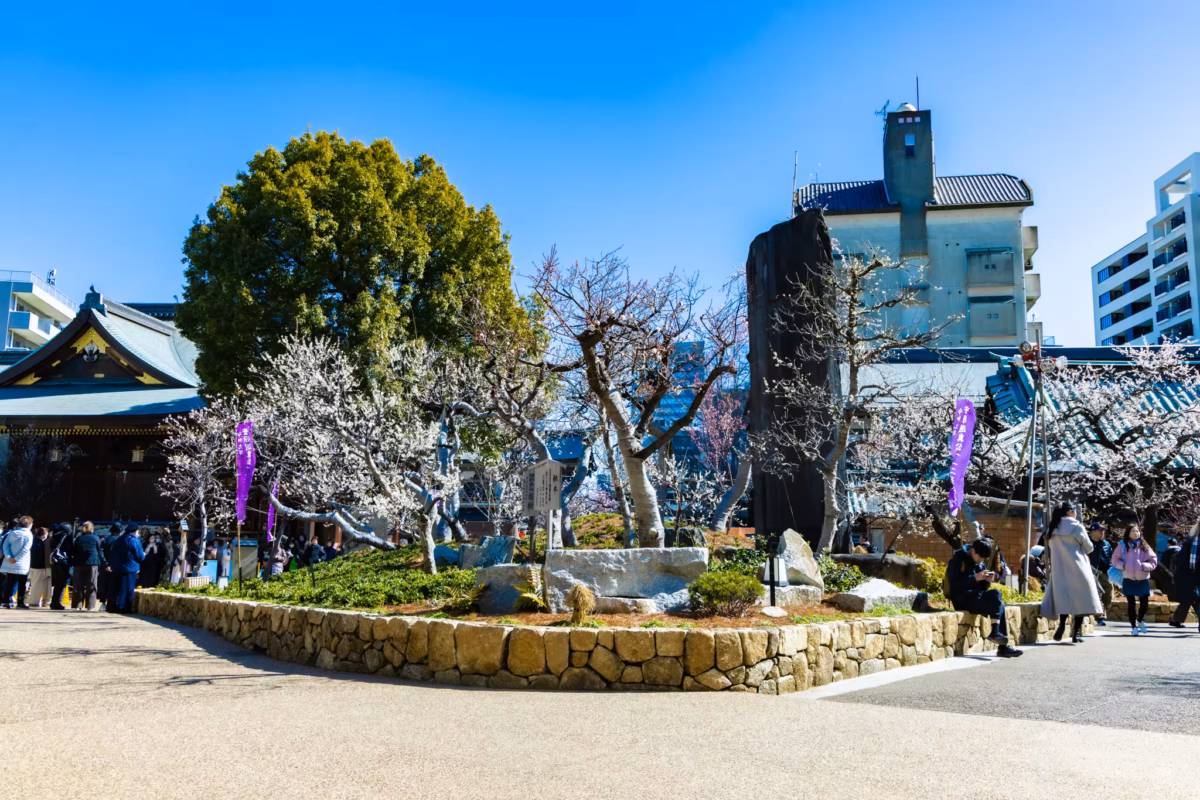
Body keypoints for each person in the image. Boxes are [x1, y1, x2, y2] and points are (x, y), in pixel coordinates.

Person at [946, 538, 1024, 658]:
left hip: (976, 597)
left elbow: (983, 588)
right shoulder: (957, 560)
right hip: (962, 599)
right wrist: (975, 578)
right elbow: (955, 585)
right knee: (999, 605)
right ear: (973, 551)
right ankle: (1001, 645)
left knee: (997, 595)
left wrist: (986, 581)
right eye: (980, 557)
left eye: (984, 559)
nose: (981, 560)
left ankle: (996, 633)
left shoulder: (980, 563)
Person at [1040, 502, 1104, 644]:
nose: (1076, 513)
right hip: (1078, 567)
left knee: (1064, 598)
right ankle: (1076, 633)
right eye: (1074, 510)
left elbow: (1050, 545)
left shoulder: (1052, 527)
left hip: (1060, 569)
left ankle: (1062, 624)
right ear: (1069, 512)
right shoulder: (1076, 526)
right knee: (1081, 599)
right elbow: (1089, 547)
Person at [1112, 523, 1159, 635]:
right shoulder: (1122, 546)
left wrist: (1143, 566)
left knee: (1144, 605)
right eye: (1133, 531)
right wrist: (1123, 565)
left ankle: (1140, 619)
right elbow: (1114, 559)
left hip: (1143, 579)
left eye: (1137, 531)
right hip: (1128, 578)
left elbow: (1153, 560)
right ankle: (1133, 627)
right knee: (1131, 604)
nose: (1136, 533)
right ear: (1128, 533)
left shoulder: (1144, 545)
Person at [107, 524, 145, 614]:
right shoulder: (134, 540)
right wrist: (144, 555)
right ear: (134, 532)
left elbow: (113, 553)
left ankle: (116, 606)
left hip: (117, 568)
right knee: (128, 589)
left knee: (118, 588)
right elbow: (139, 556)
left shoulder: (119, 539)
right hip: (130, 568)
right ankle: (125, 608)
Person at [1169, 522, 1200, 630]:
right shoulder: (1191, 539)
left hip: (1192, 573)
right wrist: (1184, 569)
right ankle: (1176, 619)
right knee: (1189, 598)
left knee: (1189, 599)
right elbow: (1182, 557)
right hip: (1189, 573)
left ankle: (1176, 619)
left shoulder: (1191, 539)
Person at [71, 521, 106, 611]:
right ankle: (90, 606)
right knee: (92, 584)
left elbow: (74, 551)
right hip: (92, 563)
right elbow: (100, 551)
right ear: (92, 529)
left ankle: (77, 605)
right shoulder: (95, 538)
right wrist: (104, 562)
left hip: (79, 563)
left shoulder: (79, 539)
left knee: (78, 585)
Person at [1, 515, 34, 609]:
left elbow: (5, 546)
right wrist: (17, 558)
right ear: (29, 524)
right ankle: (20, 602)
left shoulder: (12, 533)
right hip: (22, 563)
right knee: (22, 583)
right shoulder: (28, 534)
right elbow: (26, 548)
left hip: (10, 562)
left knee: (9, 582)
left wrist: (9, 557)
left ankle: (5, 601)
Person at [1088, 522, 1114, 626]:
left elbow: (1111, 556)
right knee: (1097, 594)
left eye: (1103, 531)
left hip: (1106, 573)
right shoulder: (1087, 543)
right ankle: (1100, 617)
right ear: (1093, 531)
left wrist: (1111, 567)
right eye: (1100, 531)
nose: (1102, 533)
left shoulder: (1106, 544)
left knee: (1108, 594)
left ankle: (1102, 611)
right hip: (1092, 573)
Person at [48, 523, 74, 609]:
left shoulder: (55, 536)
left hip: (55, 561)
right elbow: (69, 548)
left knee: (57, 583)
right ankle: (57, 603)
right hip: (63, 561)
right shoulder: (66, 537)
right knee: (61, 583)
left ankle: (54, 602)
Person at [27, 526, 53, 608]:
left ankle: (35, 601)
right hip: (39, 567)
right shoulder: (40, 543)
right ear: (44, 534)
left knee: (34, 584)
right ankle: (34, 602)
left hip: (32, 566)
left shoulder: (33, 540)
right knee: (38, 585)